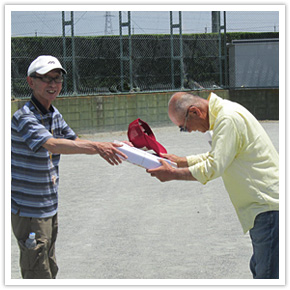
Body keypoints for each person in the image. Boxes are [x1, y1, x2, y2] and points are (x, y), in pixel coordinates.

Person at [11, 55, 128, 279]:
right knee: (37, 271)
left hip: (49, 206)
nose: (53, 84)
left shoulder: (53, 114)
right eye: (46, 79)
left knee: (49, 266)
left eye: (57, 79)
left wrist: (117, 145)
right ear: (30, 82)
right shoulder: (24, 117)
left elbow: (74, 141)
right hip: (29, 210)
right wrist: (98, 147)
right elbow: (53, 145)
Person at [147, 91, 279, 279]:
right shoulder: (225, 113)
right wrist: (181, 161)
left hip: (268, 209)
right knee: (262, 269)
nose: (189, 131)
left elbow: (214, 166)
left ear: (194, 112)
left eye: (184, 127)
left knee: (267, 277)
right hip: (265, 209)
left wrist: (173, 174)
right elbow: (218, 156)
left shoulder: (227, 119)